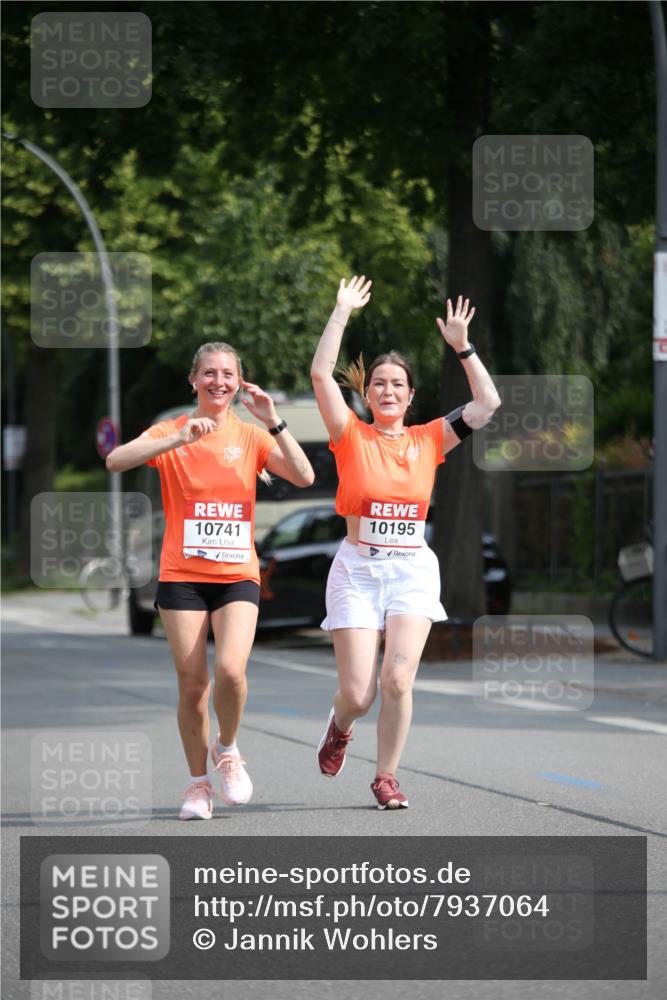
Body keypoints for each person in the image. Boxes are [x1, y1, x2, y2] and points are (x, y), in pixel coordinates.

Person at [310, 276, 501, 809]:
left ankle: (386, 777)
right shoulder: (349, 434)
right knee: (359, 693)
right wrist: (342, 311)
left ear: (411, 395)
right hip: (357, 571)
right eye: (379, 384)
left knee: (397, 680)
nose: (388, 391)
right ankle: (340, 726)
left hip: (412, 570)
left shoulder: (429, 438)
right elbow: (321, 373)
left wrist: (463, 347)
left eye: (398, 384)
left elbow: (487, 402)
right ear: (367, 394)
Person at [106, 342, 314, 820]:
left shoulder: (252, 436)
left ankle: (229, 747)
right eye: (209, 373)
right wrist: (177, 440)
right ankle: (198, 785)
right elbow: (116, 460)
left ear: (239, 382)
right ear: (194, 379)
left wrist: (274, 421)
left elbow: (303, 477)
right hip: (182, 576)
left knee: (232, 671)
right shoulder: (173, 430)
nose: (218, 381)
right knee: (193, 686)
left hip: (237, 574)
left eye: (227, 374)